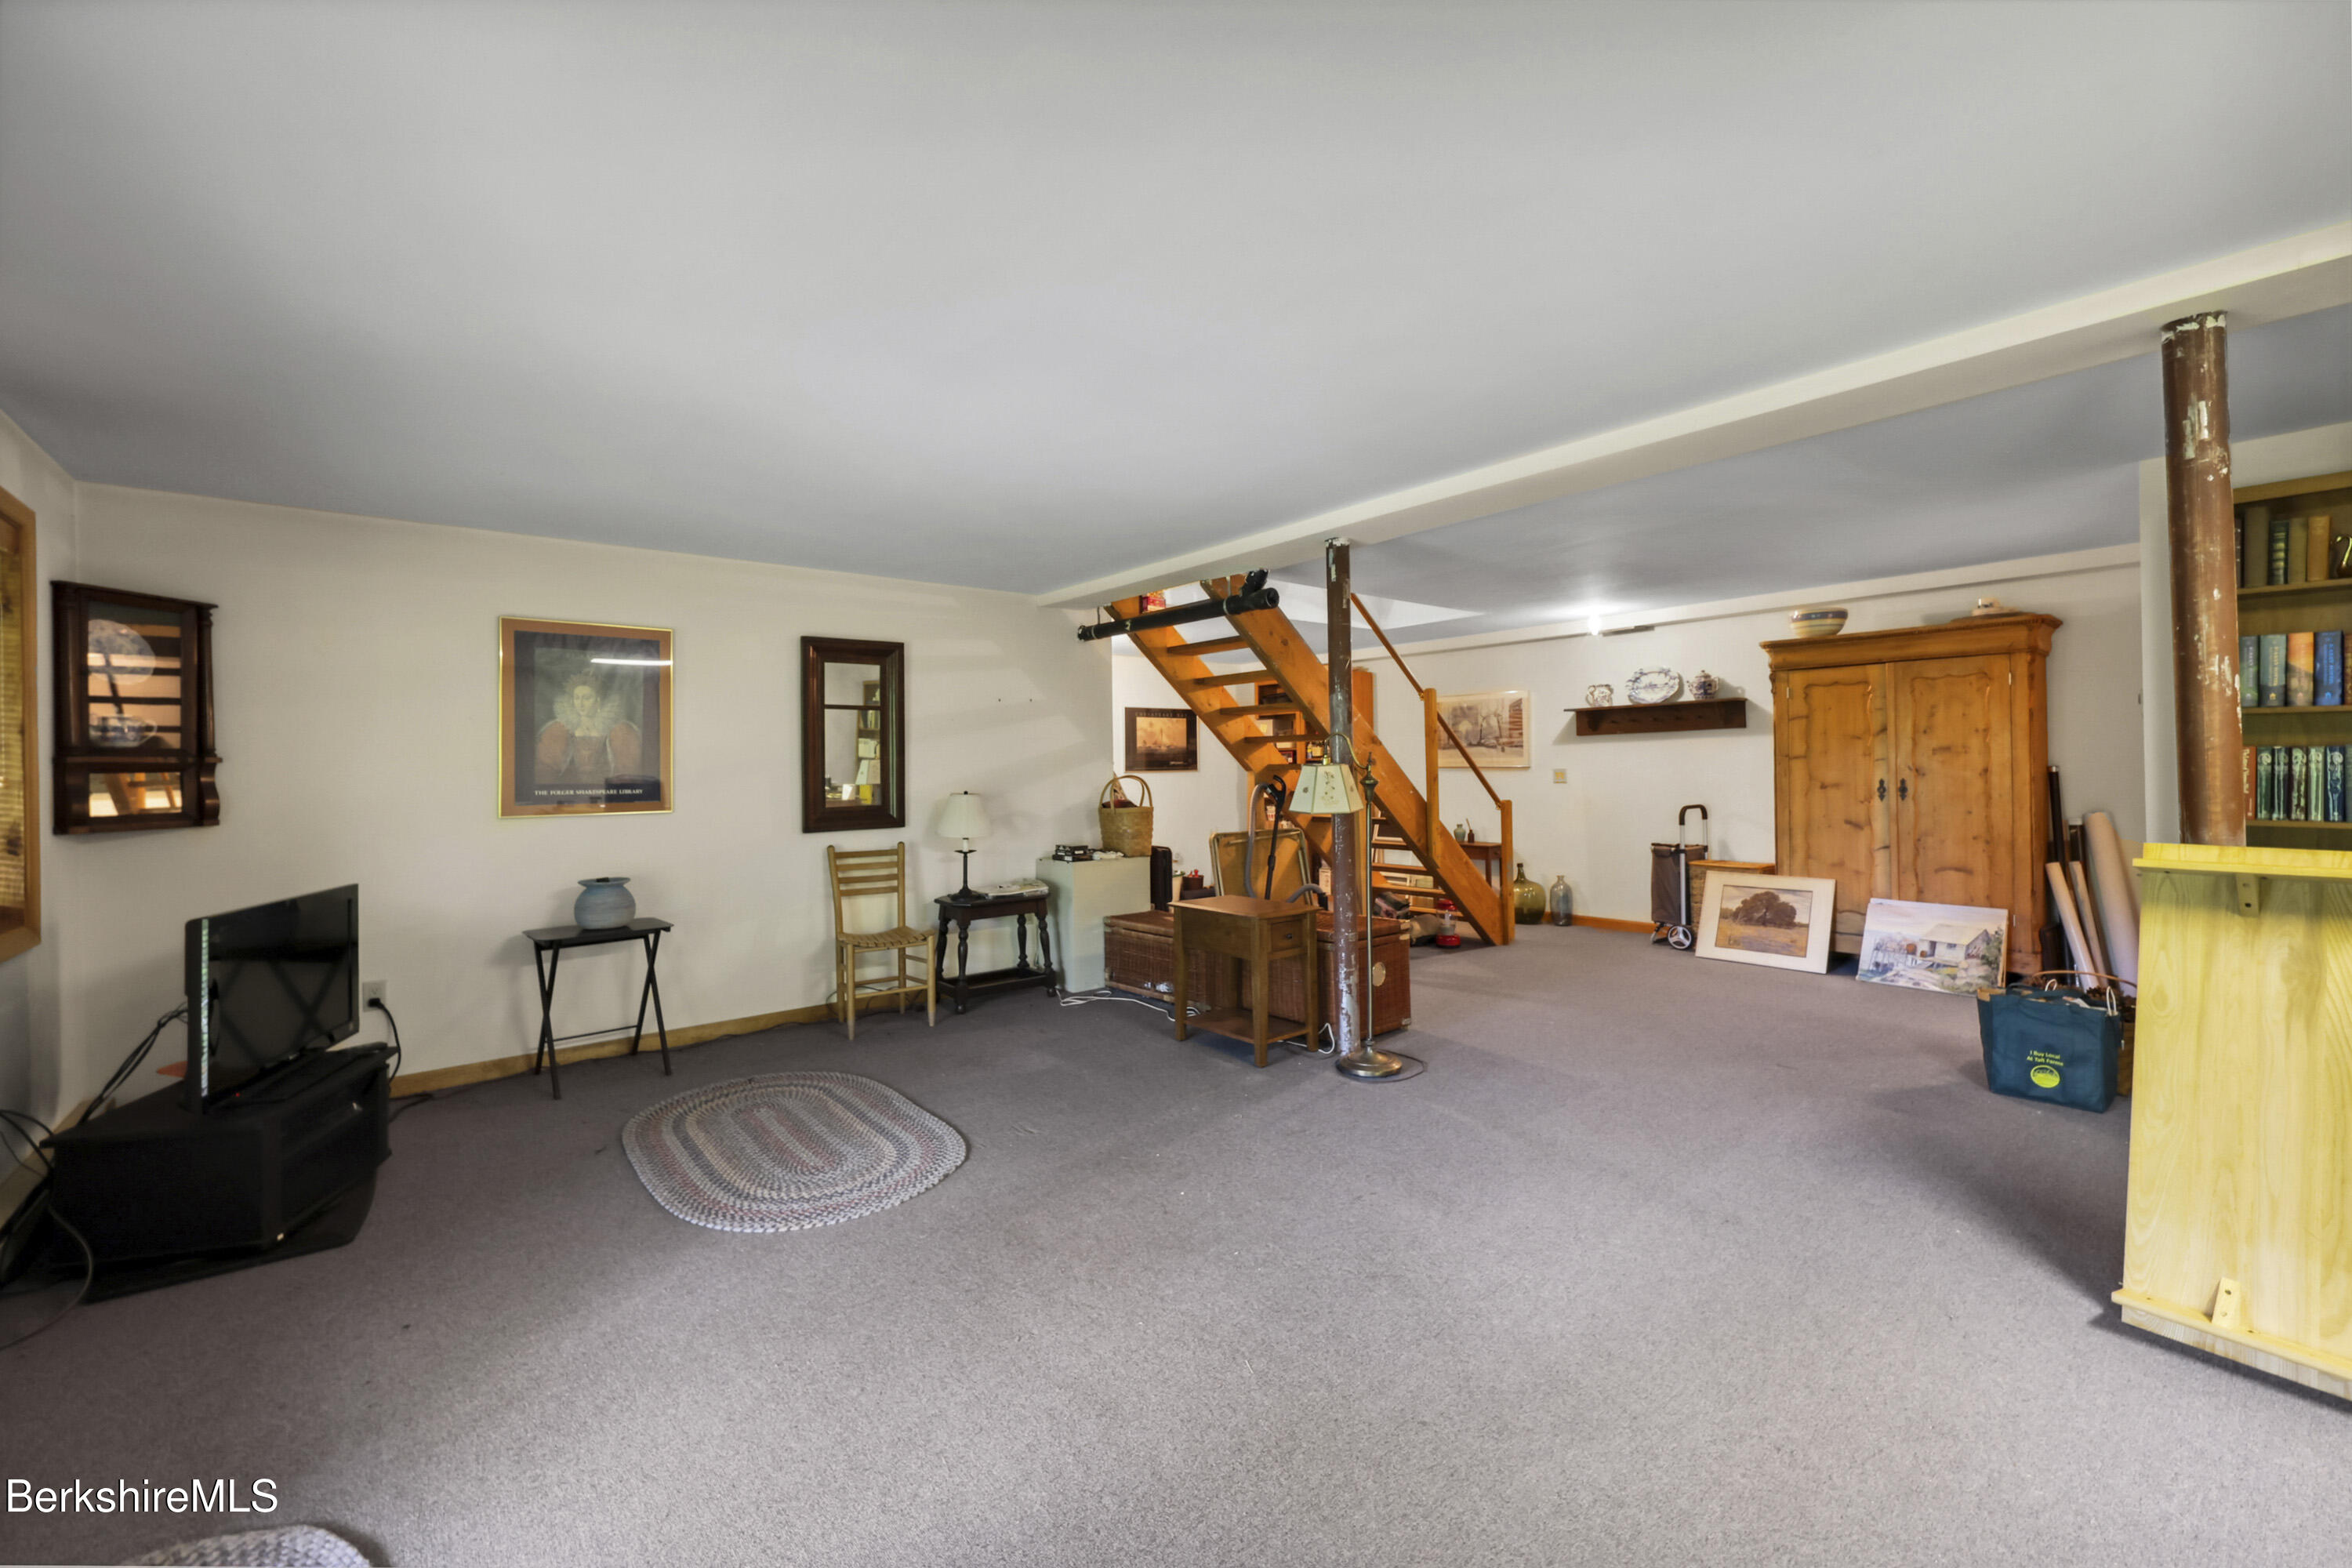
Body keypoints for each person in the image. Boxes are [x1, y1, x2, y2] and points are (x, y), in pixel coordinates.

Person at [535, 677, 641, 791]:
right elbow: (546, 770)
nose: (580, 704)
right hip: (569, 792)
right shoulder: (558, 729)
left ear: (598, 700)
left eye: (587, 698)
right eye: (577, 698)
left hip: (608, 791)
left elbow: (627, 771)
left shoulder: (620, 729)